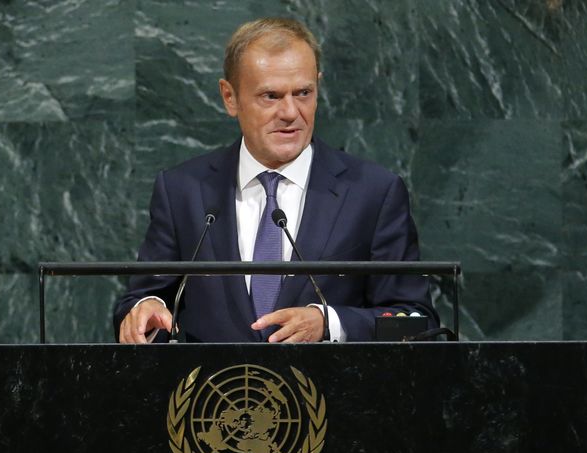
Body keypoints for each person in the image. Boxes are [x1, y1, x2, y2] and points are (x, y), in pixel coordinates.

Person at [114, 17, 437, 344]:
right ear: (230, 97)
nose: (290, 112)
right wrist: (146, 308)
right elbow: (140, 302)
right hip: (212, 393)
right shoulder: (183, 191)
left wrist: (330, 323)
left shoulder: (373, 193)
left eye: (303, 93)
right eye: (271, 96)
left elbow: (415, 322)